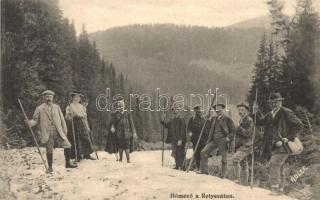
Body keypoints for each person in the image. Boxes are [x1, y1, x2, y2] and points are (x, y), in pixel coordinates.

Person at [253, 93, 303, 195]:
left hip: (284, 145)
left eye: (276, 102)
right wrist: (255, 112)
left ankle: (275, 188)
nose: (273, 104)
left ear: (280, 102)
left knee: (274, 163)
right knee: (279, 166)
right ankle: (280, 189)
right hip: (274, 145)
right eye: (271, 103)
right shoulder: (270, 114)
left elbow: (299, 125)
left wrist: (287, 138)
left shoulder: (286, 112)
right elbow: (258, 122)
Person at [27, 90, 77, 173]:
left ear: (53, 98)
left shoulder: (57, 107)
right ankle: (50, 167)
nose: (48, 98)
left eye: (50, 97)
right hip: (47, 131)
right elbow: (35, 120)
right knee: (49, 149)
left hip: (58, 130)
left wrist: (64, 129)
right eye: (47, 97)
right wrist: (30, 123)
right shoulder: (39, 108)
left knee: (67, 145)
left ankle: (67, 163)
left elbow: (62, 119)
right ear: (44, 98)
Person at [198, 103, 235, 178]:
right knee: (203, 152)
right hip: (214, 140)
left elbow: (233, 130)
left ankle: (223, 175)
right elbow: (208, 126)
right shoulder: (214, 118)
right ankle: (204, 171)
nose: (217, 110)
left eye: (219, 108)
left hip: (223, 140)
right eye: (216, 109)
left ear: (223, 109)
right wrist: (207, 118)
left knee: (224, 158)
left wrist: (228, 138)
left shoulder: (227, 118)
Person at [66, 92, 95, 161]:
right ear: (73, 98)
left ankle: (87, 154)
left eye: (79, 97)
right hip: (74, 123)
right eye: (76, 97)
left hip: (82, 123)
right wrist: (71, 115)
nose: (77, 99)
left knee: (85, 137)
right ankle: (78, 155)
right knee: (76, 139)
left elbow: (84, 116)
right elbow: (67, 117)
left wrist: (87, 126)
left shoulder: (81, 106)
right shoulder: (70, 106)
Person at [232, 103, 254, 185]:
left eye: (242, 110)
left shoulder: (249, 120)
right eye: (239, 110)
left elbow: (247, 133)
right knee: (243, 164)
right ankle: (244, 184)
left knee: (235, 159)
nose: (240, 111)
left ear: (247, 111)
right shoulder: (241, 120)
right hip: (240, 145)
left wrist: (238, 127)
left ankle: (238, 179)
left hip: (246, 145)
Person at [187, 105, 207, 171]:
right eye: (197, 111)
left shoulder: (203, 119)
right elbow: (188, 128)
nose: (199, 112)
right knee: (196, 154)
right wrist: (189, 133)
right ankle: (198, 167)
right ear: (195, 111)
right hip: (195, 139)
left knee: (203, 153)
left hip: (203, 139)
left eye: (200, 111)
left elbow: (206, 129)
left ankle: (203, 168)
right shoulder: (192, 119)